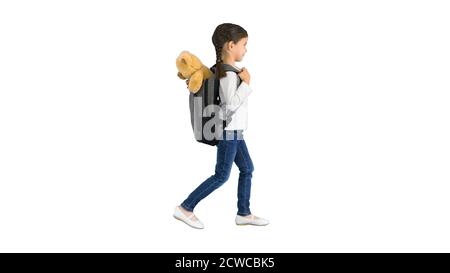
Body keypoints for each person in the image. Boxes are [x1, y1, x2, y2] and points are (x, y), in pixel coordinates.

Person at [173, 23, 269, 229]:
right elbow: (229, 106)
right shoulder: (229, 74)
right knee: (221, 175)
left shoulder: (224, 70)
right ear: (230, 45)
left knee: (247, 168)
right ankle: (185, 207)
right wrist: (247, 83)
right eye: (244, 44)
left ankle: (244, 213)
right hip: (228, 132)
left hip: (235, 132)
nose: (246, 49)